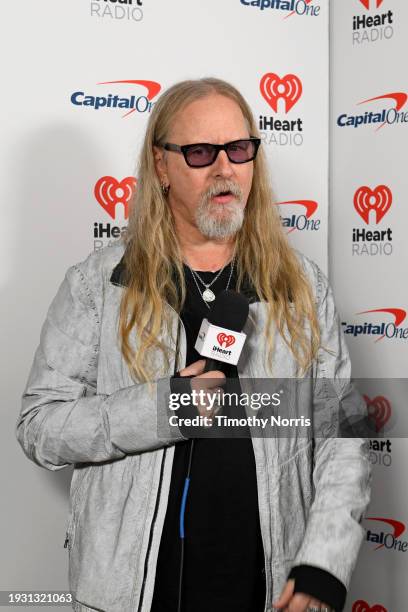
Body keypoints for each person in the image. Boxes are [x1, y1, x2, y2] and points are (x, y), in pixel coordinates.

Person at [17, 78, 371, 612]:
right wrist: (161, 409)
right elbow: (39, 427)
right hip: (132, 594)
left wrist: (323, 562)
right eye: (202, 152)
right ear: (161, 166)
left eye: (239, 149)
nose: (225, 169)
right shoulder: (98, 285)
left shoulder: (302, 287)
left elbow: (345, 437)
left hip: (266, 586)